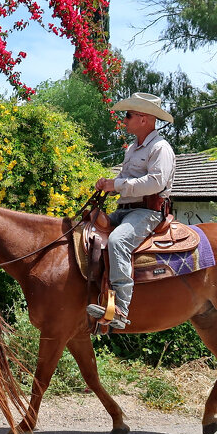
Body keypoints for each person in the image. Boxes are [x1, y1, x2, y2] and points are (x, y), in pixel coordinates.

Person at [87, 92, 176, 330]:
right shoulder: (132, 149)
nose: (124, 121)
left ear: (144, 118)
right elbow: (128, 181)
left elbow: (156, 182)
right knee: (87, 229)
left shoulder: (161, 148)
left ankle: (119, 311)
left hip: (147, 213)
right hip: (125, 210)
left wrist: (116, 185)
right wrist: (110, 185)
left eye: (128, 116)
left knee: (117, 241)